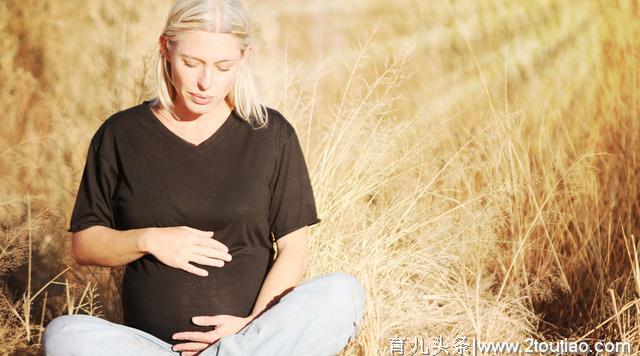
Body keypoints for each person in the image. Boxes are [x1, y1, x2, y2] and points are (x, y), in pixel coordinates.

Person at [42, 0, 366, 355]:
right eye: (191, 63)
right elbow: (85, 244)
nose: (205, 82)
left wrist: (252, 325)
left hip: (250, 339)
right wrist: (149, 239)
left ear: (244, 58)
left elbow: (294, 248)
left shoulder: (271, 133)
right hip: (150, 347)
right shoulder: (121, 134)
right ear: (165, 48)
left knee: (343, 293)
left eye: (223, 66)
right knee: (64, 334)